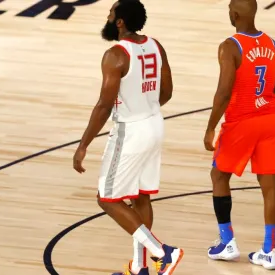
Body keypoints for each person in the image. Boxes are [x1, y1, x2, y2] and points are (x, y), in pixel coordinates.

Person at [72, 0, 184, 274]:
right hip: (155, 124)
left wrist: (83, 144)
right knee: (141, 197)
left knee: (107, 199)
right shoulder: (156, 46)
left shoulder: (116, 55)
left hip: (131, 131)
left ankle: (162, 253)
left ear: (120, 21)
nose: (107, 17)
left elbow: (104, 105)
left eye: (111, 13)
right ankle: (140, 268)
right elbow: (167, 91)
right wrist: (145, 106)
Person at [203, 0, 275, 270]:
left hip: (242, 121)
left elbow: (224, 91)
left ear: (235, 13)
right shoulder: (273, 44)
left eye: (229, 8)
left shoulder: (230, 46)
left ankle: (227, 242)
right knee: (269, 187)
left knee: (218, 175)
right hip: (271, 119)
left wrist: (211, 126)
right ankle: (269, 251)